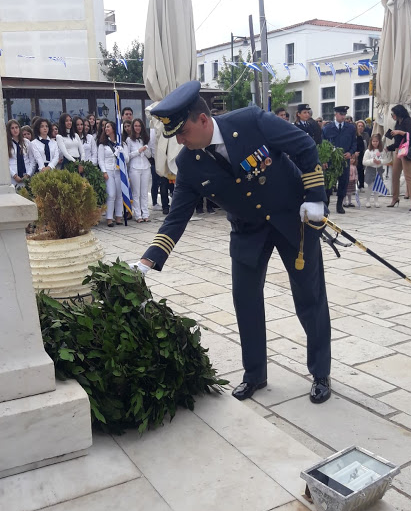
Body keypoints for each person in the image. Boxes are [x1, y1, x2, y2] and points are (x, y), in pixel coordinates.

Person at [134, 80, 332, 405]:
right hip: (247, 231)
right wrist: (147, 260)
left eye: (182, 132)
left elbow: (304, 147)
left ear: (202, 120)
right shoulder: (188, 163)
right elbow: (176, 217)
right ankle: (254, 374)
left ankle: (320, 372)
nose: (180, 141)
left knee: (309, 296)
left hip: (292, 218)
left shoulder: (252, 121)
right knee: (245, 299)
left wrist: (315, 197)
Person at [322, 105, 357, 213]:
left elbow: (354, 143)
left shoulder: (350, 128)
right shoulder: (327, 128)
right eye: (341, 114)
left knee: (343, 182)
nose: (343, 117)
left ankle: (339, 205)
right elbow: (323, 145)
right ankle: (326, 204)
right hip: (331, 160)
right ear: (335, 114)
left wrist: (350, 153)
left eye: (344, 114)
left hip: (344, 160)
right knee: (328, 184)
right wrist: (325, 160)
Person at [385, 104, 411, 210]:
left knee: (408, 176)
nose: (392, 116)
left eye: (393, 114)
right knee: (395, 175)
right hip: (399, 150)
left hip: (406, 150)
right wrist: (389, 148)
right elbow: (397, 141)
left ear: (398, 113)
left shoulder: (408, 121)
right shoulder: (397, 123)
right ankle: (395, 198)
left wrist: (400, 132)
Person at [98, 121, 128, 227]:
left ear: (114, 129)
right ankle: (109, 218)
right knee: (111, 194)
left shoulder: (122, 144)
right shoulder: (103, 145)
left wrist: (122, 152)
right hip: (109, 171)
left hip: (119, 171)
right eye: (105, 127)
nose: (106, 129)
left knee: (119, 194)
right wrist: (104, 171)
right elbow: (100, 160)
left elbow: (127, 159)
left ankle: (119, 217)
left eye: (108, 127)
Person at [126, 118, 153, 223]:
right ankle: (138, 215)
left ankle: (145, 213)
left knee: (144, 192)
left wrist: (145, 150)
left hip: (145, 167)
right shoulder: (129, 140)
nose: (137, 128)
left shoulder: (145, 139)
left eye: (139, 126)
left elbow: (150, 155)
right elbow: (128, 156)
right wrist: (138, 151)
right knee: (136, 192)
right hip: (134, 168)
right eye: (136, 126)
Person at [362, 134, 389, 208]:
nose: (375, 143)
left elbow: (386, 160)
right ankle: (367, 200)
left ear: (379, 142)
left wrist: (380, 161)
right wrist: (372, 161)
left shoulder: (382, 151)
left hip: (379, 170)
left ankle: (376, 200)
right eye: (373, 141)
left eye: (376, 141)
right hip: (370, 170)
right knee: (369, 186)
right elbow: (364, 162)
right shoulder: (368, 151)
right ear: (371, 142)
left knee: (377, 186)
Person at [6, 119, 34, 187]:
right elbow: (5, 162)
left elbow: (32, 160)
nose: (15, 130)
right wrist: (14, 175)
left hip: (27, 175)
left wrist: (28, 174)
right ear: (9, 130)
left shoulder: (26, 142)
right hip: (13, 176)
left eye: (16, 127)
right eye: (12, 128)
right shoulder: (7, 143)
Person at [354, 120, 369, 190]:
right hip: (353, 155)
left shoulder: (364, 135)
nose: (360, 127)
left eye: (362, 126)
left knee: (360, 169)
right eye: (359, 126)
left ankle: (361, 184)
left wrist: (358, 152)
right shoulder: (353, 135)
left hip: (360, 155)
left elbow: (362, 146)